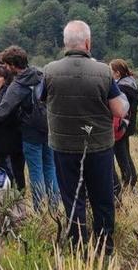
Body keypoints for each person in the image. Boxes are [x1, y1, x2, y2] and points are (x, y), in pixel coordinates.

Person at [44, 21, 129, 255]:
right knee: (102, 198)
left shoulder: (50, 70)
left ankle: (77, 245)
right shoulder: (103, 71)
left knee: (73, 199)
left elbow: (40, 97)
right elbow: (120, 109)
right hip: (98, 146)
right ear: (88, 43)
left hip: (63, 147)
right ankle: (105, 246)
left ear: (65, 44)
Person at [0, 46, 57, 210]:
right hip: (49, 127)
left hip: (30, 132)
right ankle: (54, 206)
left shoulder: (18, 85)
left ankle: (40, 209)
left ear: (11, 65)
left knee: (35, 171)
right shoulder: (41, 75)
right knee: (50, 167)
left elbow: (1, 113)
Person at [109, 59, 138, 195]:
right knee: (125, 154)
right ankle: (131, 181)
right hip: (128, 125)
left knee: (121, 155)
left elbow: (119, 108)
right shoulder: (131, 83)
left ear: (117, 73)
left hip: (120, 127)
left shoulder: (122, 88)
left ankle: (128, 183)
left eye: (111, 71)